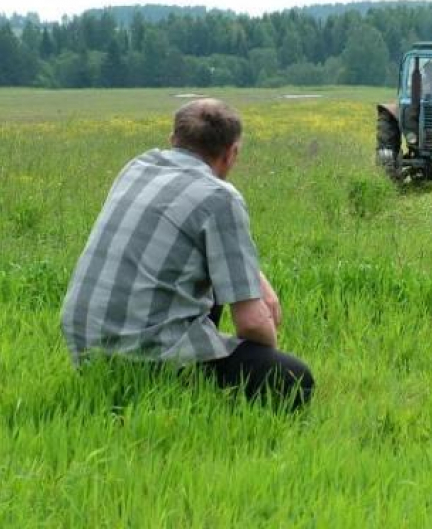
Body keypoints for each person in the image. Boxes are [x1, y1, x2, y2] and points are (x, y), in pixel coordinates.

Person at [60, 98, 314, 409]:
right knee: (294, 378)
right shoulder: (220, 197)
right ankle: (187, 393)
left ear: (173, 141)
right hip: (147, 360)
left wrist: (253, 277)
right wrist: (267, 357)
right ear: (232, 153)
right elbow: (250, 323)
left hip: (87, 353)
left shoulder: (137, 167)